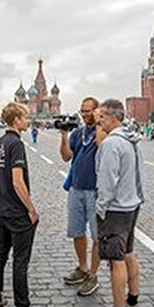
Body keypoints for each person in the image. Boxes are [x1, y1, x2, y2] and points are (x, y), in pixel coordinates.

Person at [0, 102, 51, 307]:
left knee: (0, 255)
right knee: (20, 261)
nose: (28, 120)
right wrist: (31, 209)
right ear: (16, 120)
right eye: (25, 117)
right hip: (17, 212)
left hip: (3, 210)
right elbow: (17, 181)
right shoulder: (15, 144)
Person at [92, 99, 145, 307]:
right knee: (130, 253)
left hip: (115, 210)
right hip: (132, 205)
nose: (98, 120)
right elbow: (139, 173)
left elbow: (107, 180)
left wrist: (101, 207)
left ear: (113, 117)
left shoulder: (112, 143)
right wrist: (138, 197)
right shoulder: (132, 140)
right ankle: (133, 302)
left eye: (101, 116)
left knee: (116, 261)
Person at [59, 97, 105, 296]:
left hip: (95, 191)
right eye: (82, 111)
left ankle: (93, 275)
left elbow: (102, 145)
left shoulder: (103, 131)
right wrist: (64, 135)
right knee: (77, 231)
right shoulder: (78, 133)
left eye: (88, 111)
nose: (85, 115)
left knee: (97, 236)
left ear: (97, 111)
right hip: (76, 189)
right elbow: (66, 156)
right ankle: (82, 267)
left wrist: (99, 121)